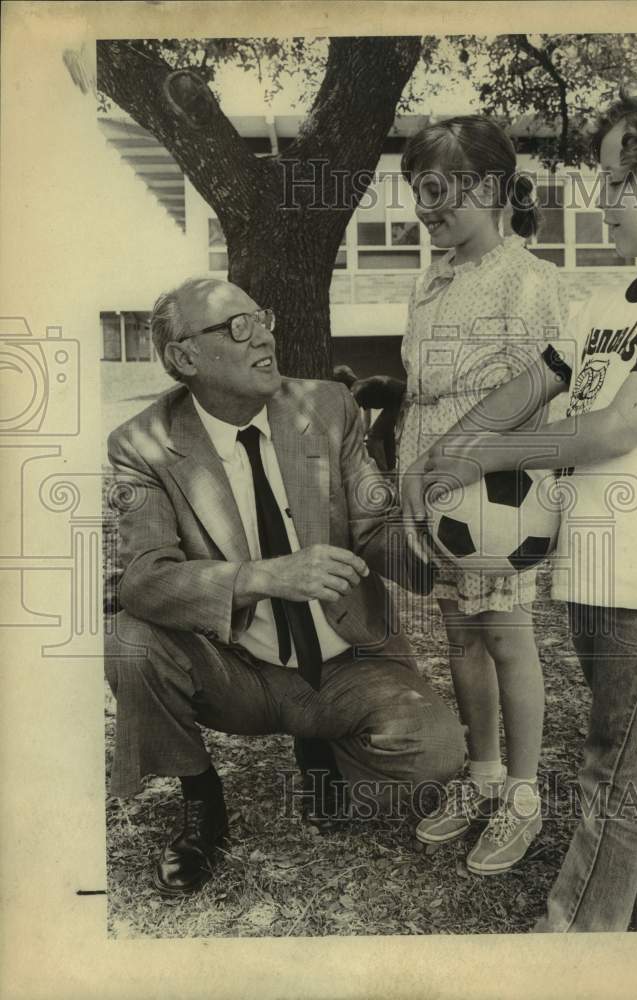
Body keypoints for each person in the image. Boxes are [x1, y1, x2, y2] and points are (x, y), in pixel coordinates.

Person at [402, 80, 637, 929]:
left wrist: (486, 455)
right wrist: (443, 453)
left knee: (614, 775)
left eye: (616, 182)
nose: (600, 201)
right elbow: (532, 384)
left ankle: (571, 942)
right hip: (592, 570)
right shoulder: (611, 301)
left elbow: (617, 426)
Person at [105, 277, 465, 897]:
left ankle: (320, 747)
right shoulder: (143, 444)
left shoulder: (326, 406)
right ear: (185, 357)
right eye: (237, 326)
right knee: (129, 641)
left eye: (262, 318)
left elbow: (373, 528)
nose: (265, 336)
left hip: (344, 660)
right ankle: (202, 797)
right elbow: (143, 579)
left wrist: (441, 554)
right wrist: (264, 576)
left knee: (434, 758)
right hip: (234, 667)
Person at [392, 115, 568, 875]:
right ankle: (484, 773)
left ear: (490, 187)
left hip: (494, 497)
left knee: (505, 634)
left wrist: (463, 467)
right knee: (460, 636)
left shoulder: (528, 280)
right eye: (418, 191)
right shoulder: (430, 280)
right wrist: (412, 472)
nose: (424, 207)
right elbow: (420, 390)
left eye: (438, 190)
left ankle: (523, 794)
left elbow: (542, 388)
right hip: (433, 492)